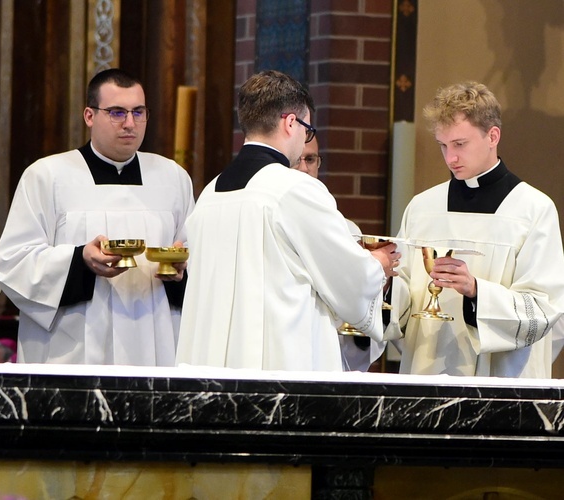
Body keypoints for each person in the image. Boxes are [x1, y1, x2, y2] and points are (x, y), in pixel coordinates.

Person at [175, 70, 396, 371]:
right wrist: (378, 266)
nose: (305, 139)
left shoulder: (211, 192)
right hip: (278, 376)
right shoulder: (296, 189)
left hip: (213, 371)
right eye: (307, 129)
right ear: (291, 122)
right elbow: (348, 280)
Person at [0, 68, 195, 365]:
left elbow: (198, 262)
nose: (130, 124)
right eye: (116, 113)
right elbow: (12, 262)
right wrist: (79, 260)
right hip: (74, 350)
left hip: (154, 346)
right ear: (89, 115)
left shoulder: (172, 177)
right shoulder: (47, 176)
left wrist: (179, 271)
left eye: (138, 112)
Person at [386, 81, 564, 378]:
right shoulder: (422, 208)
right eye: (442, 145)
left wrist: (477, 291)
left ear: (493, 136)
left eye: (459, 144)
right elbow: (404, 301)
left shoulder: (533, 209)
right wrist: (383, 284)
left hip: (503, 381)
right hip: (428, 370)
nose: (450, 158)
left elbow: (545, 311)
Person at [294, 135, 398, 372]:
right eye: (296, 159)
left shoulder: (347, 231)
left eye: (310, 159)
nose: (304, 168)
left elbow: (358, 346)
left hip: (328, 363)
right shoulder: (272, 221)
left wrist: (375, 283)